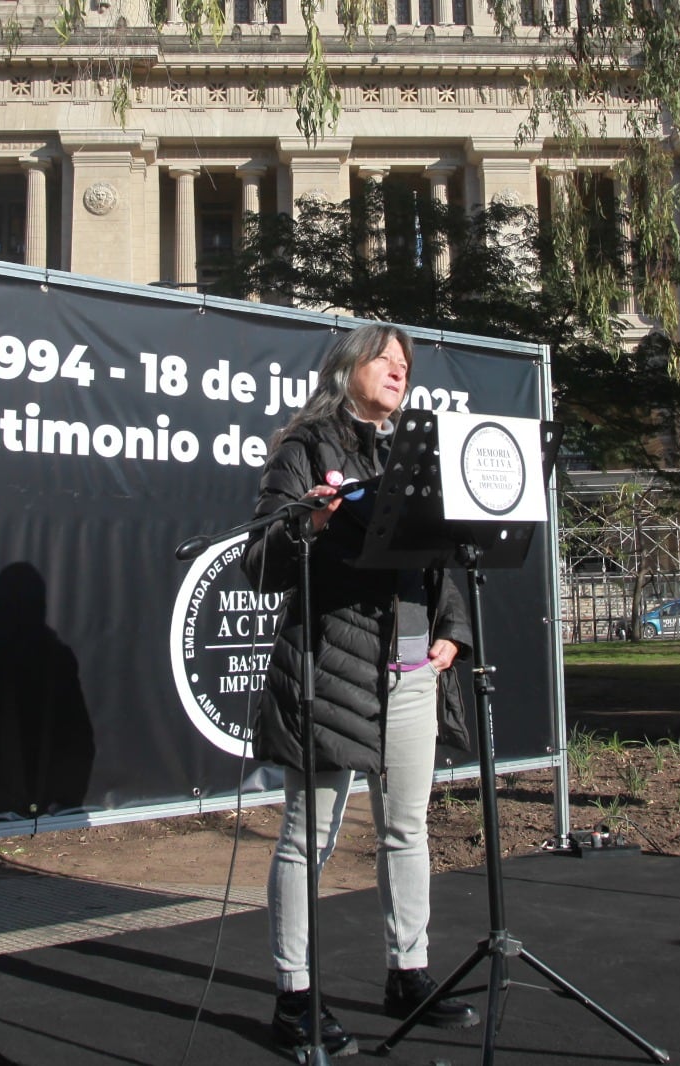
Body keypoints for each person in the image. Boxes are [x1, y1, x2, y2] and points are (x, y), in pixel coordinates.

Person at [241, 323, 479, 1057]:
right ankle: (295, 997)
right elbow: (259, 561)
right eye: (385, 357)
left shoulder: (416, 449)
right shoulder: (304, 446)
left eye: (405, 361)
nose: (399, 368)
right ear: (348, 368)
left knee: (407, 828)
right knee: (307, 835)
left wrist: (451, 629)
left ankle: (408, 973)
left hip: (413, 670)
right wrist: (309, 523)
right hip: (331, 665)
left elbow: (443, 549)